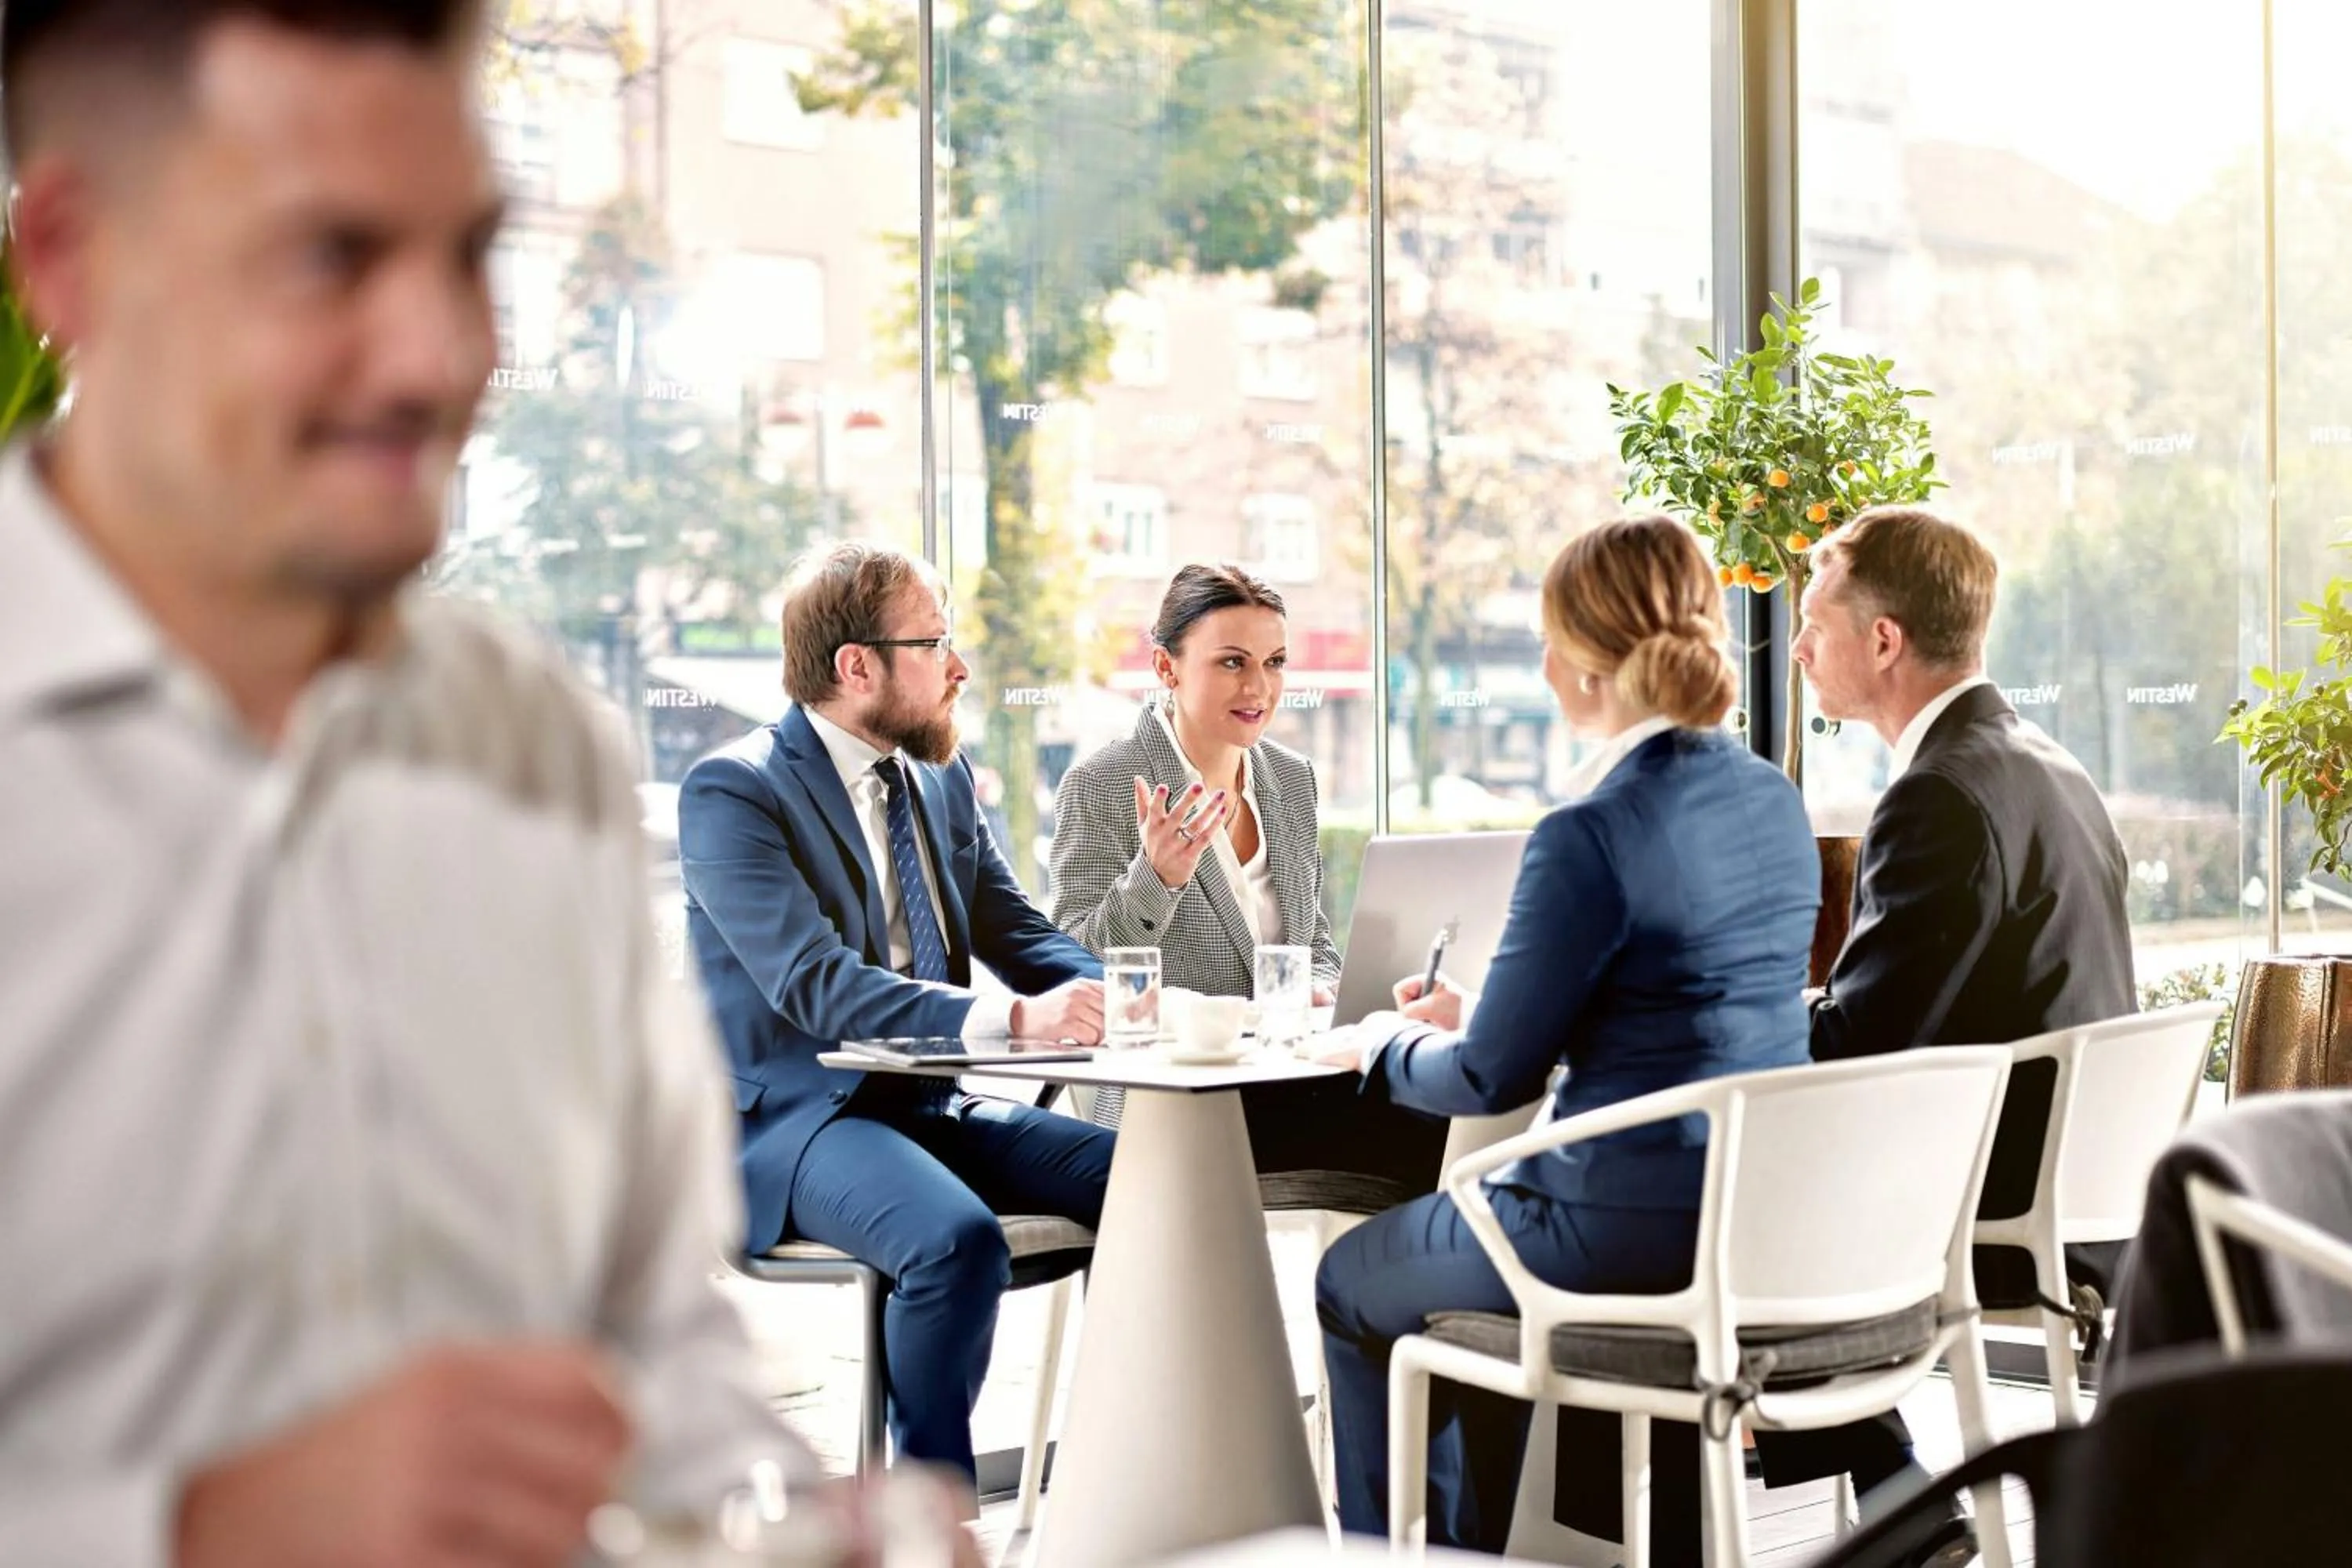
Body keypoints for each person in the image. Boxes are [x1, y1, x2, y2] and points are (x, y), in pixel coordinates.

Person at [0, 4, 821, 1564]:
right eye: (332, 258)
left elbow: (660, 1348)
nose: (445, 354)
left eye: (467, 256)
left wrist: (795, 1524)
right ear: (69, 256)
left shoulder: (538, 740)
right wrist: (192, 1530)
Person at [1312, 516, 1820, 1557]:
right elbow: (1679, 1009)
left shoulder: (1587, 829)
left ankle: (1410, 1555)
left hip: (1606, 1230)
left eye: (1549, 641)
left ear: (1585, 663)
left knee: (1353, 1281)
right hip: (1749, 1216)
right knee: (1465, 1276)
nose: (1541, 665)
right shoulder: (1773, 799)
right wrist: (1481, 1018)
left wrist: (1379, 1046)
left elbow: (1488, 1077)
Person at [679, 541, 1115, 1489]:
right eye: (936, 642)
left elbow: (1022, 934)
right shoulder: (734, 792)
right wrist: (1016, 1023)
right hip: (802, 1121)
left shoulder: (939, 779)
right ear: (856, 665)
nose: (960, 667)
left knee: (1146, 1181)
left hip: (928, 1105)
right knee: (956, 1241)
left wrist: (1131, 995)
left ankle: (1127, 1473)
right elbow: (814, 983)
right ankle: (932, 1520)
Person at [1763, 505, 2136, 1565]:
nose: (1797, 649)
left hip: (1994, 1195)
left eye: (1814, 625)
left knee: (1730, 1182)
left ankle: (1890, 1497)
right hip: (2078, 1182)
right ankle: (1892, 1488)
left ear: (1883, 642)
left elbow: (1861, 1055)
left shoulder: (1941, 794)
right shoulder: (2047, 764)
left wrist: (1727, 1028)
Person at [1048, 562, 1447, 1188]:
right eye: (1232, 662)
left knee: (1447, 1120)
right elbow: (1073, 965)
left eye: (1276, 662)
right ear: (1165, 668)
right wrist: (1156, 878)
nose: (1259, 687)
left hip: (1289, 1071)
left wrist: (1322, 989)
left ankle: (1399, 1277)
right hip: (1178, 1090)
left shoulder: (1289, 779)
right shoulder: (1102, 783)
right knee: (1418, 1133)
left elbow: (1312, 942)